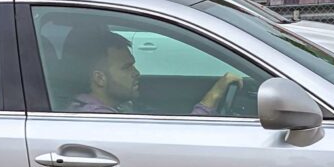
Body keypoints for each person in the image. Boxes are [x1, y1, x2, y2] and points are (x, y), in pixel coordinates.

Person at [65, 28, 243, 116]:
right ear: (99, 78)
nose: (136, 73)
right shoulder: (99, 119)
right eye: (126, 67)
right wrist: (215, 95)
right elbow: (176, 149)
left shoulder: (114, 107)